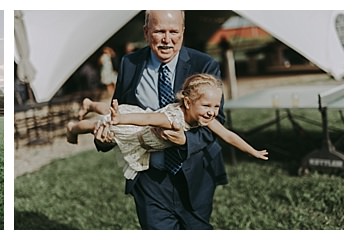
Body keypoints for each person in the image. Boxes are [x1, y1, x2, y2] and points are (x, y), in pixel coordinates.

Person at [94, 10, 227, 229]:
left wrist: (185, 141)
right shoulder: (130, 64)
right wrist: (104, 139)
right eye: (159, 32)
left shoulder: (204, 64)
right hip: (149, 179)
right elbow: (117, 113)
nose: (167, 39)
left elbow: (216, 121)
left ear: (183, 31)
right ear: (146, 33)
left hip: (195, 176)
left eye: (173, 31)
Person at [68, 74, 268, 179]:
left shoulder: (205, 119)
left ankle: (90, 104)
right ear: (188, 103)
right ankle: (74, 128)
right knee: (96, 124)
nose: (212, 111)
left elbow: (228, 135)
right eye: (207, 106)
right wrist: (120, 120)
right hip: (132, 129)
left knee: (110, 112)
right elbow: (147, 119)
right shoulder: (172, 120)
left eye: (216, 106)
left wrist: (252, 151)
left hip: (134, 124)